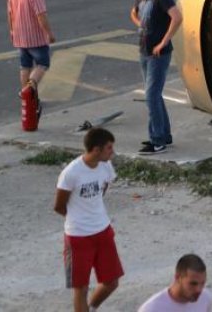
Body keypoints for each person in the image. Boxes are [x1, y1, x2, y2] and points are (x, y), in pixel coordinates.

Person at [54, 127, 123, 312]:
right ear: (96, 150)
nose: (112, 152)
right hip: (78, 238)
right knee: (81, 288)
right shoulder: (71, 173)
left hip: (103, 231)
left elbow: (102, 191)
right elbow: (59, 206)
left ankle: (91, 308)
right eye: (109, 148)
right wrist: (79, 219)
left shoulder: (106, 166)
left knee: (112, 281)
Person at [130, 0, 182, 155]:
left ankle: (157, 140)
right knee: (155, 95)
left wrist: (163, 42)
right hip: (144, 52)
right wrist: (140, 24)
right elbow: (133, 13)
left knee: (151, 96)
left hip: (159, 55)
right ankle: (165, 136)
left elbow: (177, 17)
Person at [7, 0, 55, 99]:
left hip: (20, 37)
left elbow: (10, 15)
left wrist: (12, 32)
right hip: (36, 39)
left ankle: (26, 97)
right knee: (42, 64)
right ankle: (29, 90)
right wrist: (49, 34)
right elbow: (41, 16)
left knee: (25, 67)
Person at [138, 253, 212, 311]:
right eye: (193, 284)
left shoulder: (206, 298)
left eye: (202, 283)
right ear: (177, 278)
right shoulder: (151, 309)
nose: (199, 290)